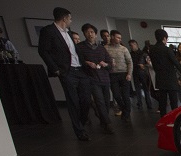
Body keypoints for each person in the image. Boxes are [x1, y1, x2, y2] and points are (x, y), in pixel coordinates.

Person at [38, 7, 92, 141]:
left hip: (80, 69)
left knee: (86, 99)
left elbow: (73, 51)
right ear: (65, 18)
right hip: (66, 71)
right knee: (73, 101)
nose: (71, 21)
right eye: (70, 18)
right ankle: (79, 131)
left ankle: (81, 122)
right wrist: (55, 69)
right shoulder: (48, 31)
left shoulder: (68, 33)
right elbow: (43, 51)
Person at [76, 23, 113, 134]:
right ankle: (107, 123)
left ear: (96, 34)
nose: (90, 34)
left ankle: (103, 120)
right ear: (84, 34)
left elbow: (110, 63)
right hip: (91, 78)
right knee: (99, 101)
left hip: (104, 78)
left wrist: (105, 64)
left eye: (92, 32)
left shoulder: (101, 48)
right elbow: (78, 62)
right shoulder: (80, 47)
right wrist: (87, 63)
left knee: (106, 102)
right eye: (87, 32)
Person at [149, 28, 181, 116]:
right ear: (164, 38)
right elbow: (175, 62)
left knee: (162, 102)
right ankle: (174, 119)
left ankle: (163, 119)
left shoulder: (152, 50)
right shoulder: (167, 49)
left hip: (160, 78)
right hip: (171, 79)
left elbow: (153, 64)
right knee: (173, 102)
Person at [105, 30, 133, 122]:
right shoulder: (105, 48)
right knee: (116, 95)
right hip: (112, 74)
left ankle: (127, 113)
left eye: (120, 38)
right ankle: (124, 109)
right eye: (118, 37)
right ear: (112, 37)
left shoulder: (123, 49)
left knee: (125, 95)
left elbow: (129, 62)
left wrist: (129, 74)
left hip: (124, 73)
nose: (119, 39)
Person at [129, 39, 153, 110]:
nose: (132, 46)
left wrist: (144, 66)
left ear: (137, 45)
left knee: (146, 89)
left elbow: (148, 63)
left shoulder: (143, 53)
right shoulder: (130, 55)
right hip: (135, 73)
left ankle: (149, 104)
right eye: (130, 45)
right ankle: (139, 104)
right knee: (137, 89)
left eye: (133, 44)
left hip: (143, 73)